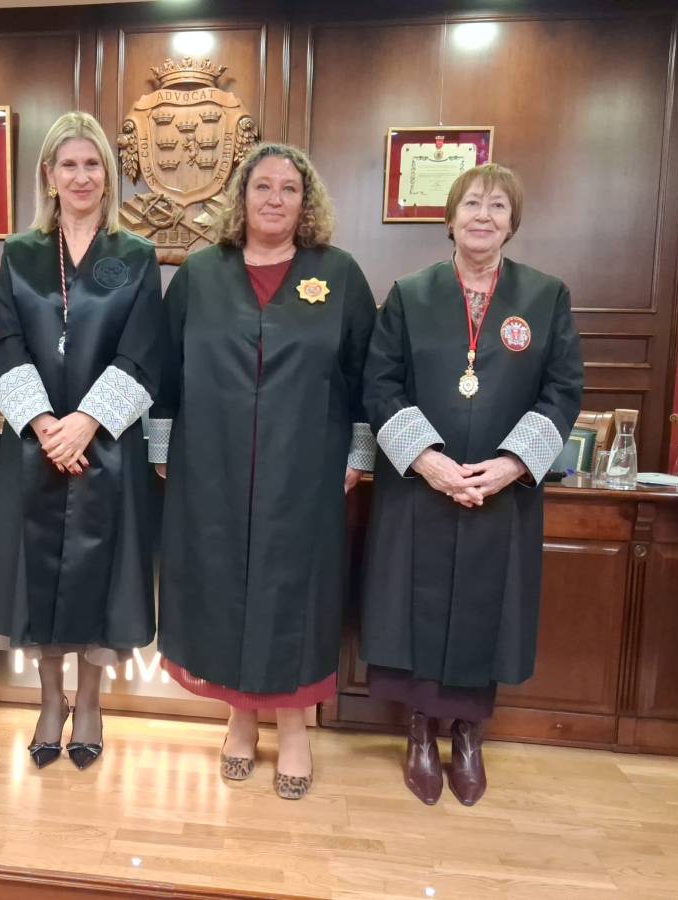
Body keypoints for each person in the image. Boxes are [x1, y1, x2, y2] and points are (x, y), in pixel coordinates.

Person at [149, 142, 377, 799]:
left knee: (295, 595)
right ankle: (239, 719)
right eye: (262, 187)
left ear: (307, 204)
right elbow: (165, 367)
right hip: (211, 467)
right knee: (222, 588)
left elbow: (369, 376)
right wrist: (162, 451)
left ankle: (296, 729)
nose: (274, 199)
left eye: (289, 189)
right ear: (241, 197)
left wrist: (358, 456)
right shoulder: (200, 274)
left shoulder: (338, 275)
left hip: (305, 469)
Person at [360, 163, 583, 806]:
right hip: (419, 487)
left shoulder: (545, 297)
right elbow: (381, 384)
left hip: (501, 492)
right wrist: (426, 460)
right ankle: (420, 731)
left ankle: (468, 732)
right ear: (450, 216)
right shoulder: (410, 292)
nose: (483, 216)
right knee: (417, 603)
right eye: (472, 204)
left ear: (513, 223)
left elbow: (563, 389)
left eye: (498, 207)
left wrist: (512, 465)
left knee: (488, 606)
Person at [0, 112, 161, 770]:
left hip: (106, 449)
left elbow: (145, 354)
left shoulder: (134, 257)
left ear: (107, 178)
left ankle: (90, 701)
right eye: (69, 165)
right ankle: (49, 699)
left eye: (93, 165)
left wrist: (86, 422)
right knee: (38, 582)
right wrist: (43, 424)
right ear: (49, 177)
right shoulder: (22, 254)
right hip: (34, 446)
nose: (81, 176)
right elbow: (2, 346)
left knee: (100, 578)